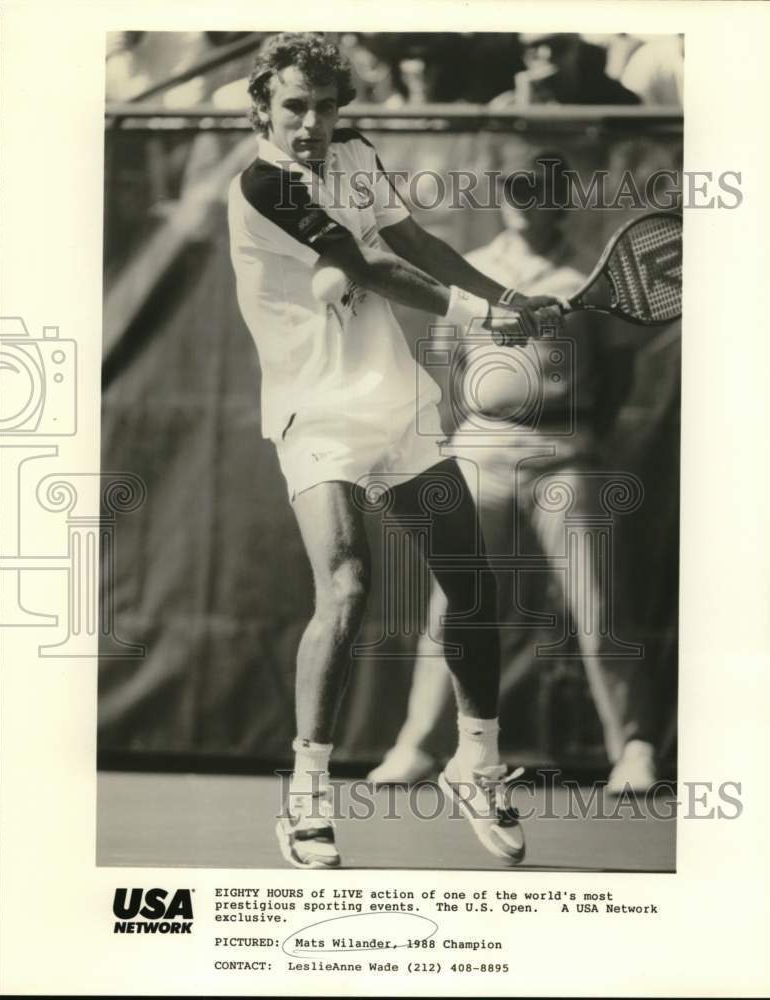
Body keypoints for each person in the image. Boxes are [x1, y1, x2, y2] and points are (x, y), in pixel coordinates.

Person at [227, 32, 564, 869]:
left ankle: (475, 763)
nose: (310, 122)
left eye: (325, 105)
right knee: (345, 584)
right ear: (263, 108)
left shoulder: (353, 153)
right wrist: (483, 316)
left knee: (473, 585)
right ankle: (308, 792)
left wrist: (507, 295)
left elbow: (409, 241)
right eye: (294, 106)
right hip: (316, 415)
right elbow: (364, 262)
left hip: (396, 410)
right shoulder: (263, 184)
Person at [368, 154, 658, 795]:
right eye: (517, 190)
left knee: (597, 607)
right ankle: (417, 745)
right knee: (455, 603)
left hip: (565, 451)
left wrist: (579, 434)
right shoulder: (471, 271)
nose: (525, 200)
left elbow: (617, 375)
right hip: (480, 450)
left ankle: (633, 751)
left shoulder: (585, 275)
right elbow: (448, 364)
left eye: (540, 192)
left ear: (562, 203)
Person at [491, 33, 641, 106]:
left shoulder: (618, 100)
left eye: (558, 46)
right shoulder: (505, 107)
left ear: (580, 50)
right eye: (533, 49)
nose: (546, 55)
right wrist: (525, 111)